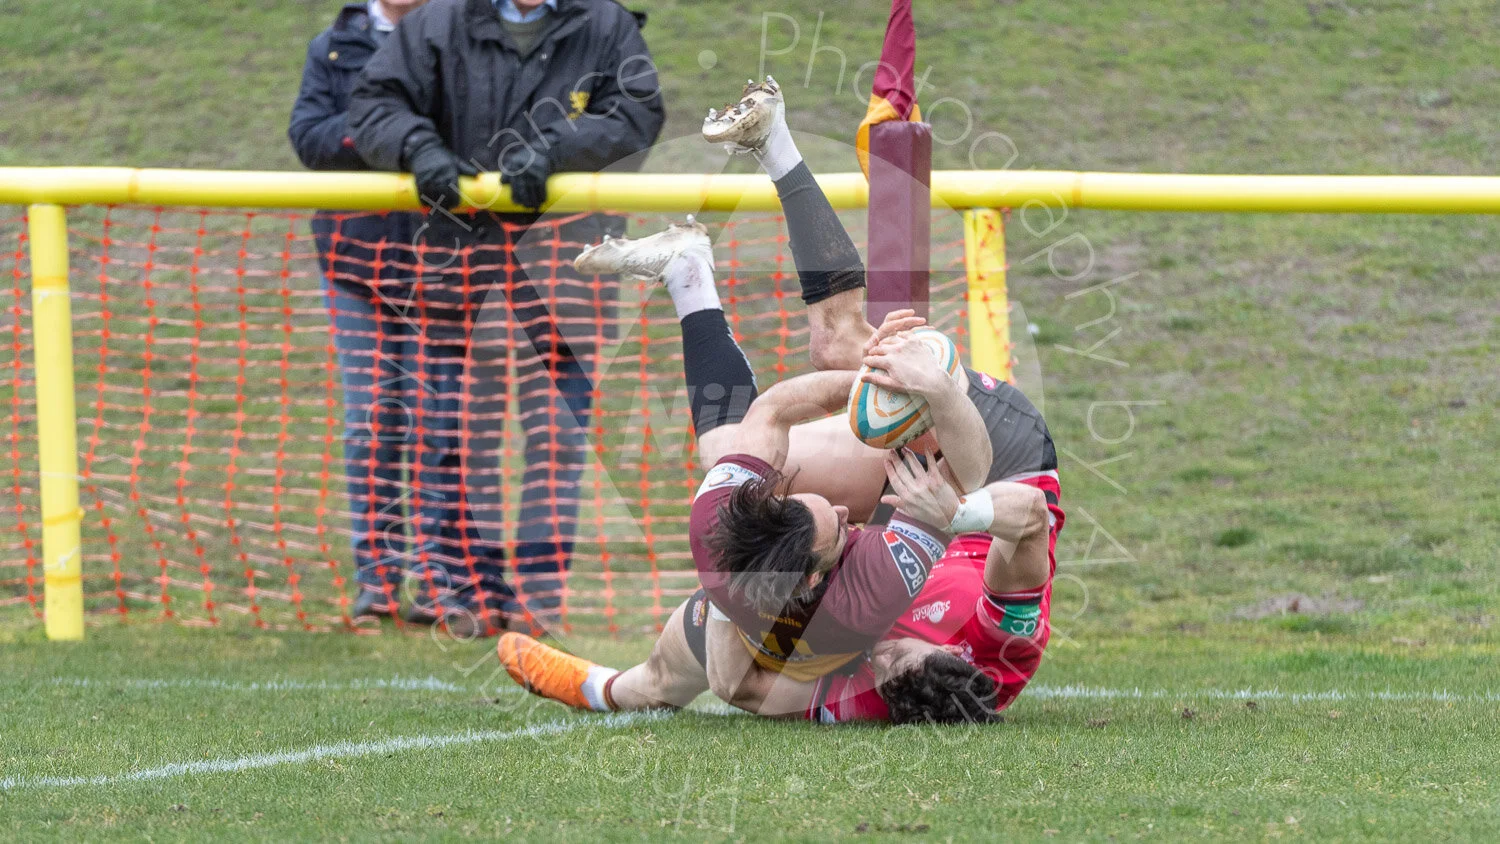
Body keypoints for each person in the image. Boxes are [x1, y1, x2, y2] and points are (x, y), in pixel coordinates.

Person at [346, 0, 666, 633]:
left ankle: (536, 602)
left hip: (569, 272)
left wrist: (553, 150)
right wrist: (420, 150)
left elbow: (636, 116)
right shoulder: (434, 24)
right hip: (454, 268)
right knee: (454, 440)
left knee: (554, 445)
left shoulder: (605, 24)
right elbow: (375, 103)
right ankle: (462, 594)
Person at [288, 0, 430, 621]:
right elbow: (309, 137)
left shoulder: (466, 40)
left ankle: (438, 580)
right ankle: (376, 582)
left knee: (436, 423)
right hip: (354, 262)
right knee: (370, 422)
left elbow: (475, 132)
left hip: (443, 264)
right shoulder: (334, 45)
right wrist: (387, 133)